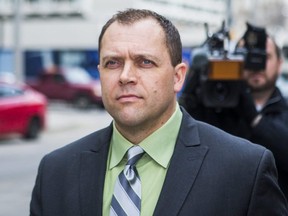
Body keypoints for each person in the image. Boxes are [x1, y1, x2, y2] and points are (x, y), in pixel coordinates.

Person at [30, 9, 288, 216]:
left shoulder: (245, 170)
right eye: (112, 63)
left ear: (178, 77)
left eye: (145, 62)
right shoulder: (55, 172)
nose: (125, 76)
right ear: (99, 72)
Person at [179, 26, 288, 199]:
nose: (255, 65)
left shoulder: (284, 110)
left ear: (279, 64)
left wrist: (254, 119)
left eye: (263, 57)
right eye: (246, 55)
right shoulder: (215, 105)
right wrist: (193, 86)